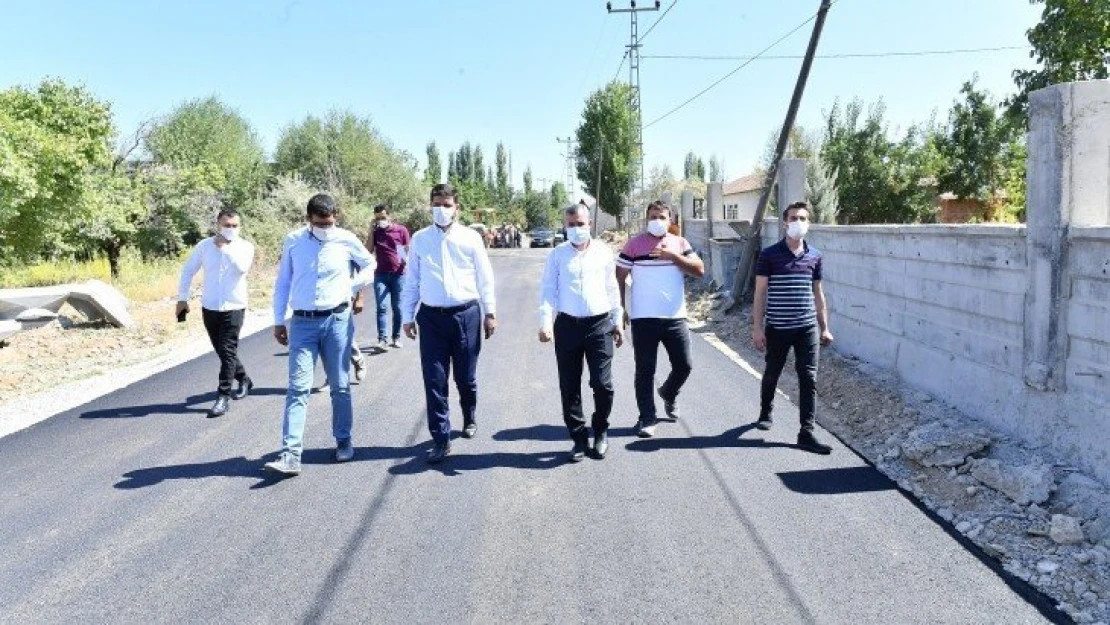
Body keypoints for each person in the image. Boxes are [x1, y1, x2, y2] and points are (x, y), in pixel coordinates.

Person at [264, 193, 375, 476]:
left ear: (335, 217)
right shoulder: (294, 241)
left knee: (339, 385)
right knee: (298, 388)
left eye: (329, 223)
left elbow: (370, 265)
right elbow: (283, 282)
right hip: (302, 323)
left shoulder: (346, 239)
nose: (325, 229)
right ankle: (290, 455)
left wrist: (351, 286)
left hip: (337, 319)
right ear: (308, 219)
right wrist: (278, 320)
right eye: (319, 224)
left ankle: (344, 441)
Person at [401, 183, 497, 464]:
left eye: (447, 204)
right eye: (436, 204)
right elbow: (412, 281)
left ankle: (469, 415)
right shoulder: (419, 239)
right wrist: (407, 316)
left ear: (457, 208)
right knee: (434, 380)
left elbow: (485, 277)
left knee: (465, 378)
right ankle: (441, 438)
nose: (441, 209)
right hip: (431, 319)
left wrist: (490, 312)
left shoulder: (471, 238)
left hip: (465, 315)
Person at [538, 204, 623, 462]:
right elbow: (548, 290)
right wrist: (545, 322)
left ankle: (600, 430)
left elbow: (612, 288)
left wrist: (617, 319)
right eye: (571, 224)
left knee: (602, 384)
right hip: (567, 326)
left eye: (581, 224)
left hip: (599, 325)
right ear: (565, 226)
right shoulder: (557, 255)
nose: (576, 229)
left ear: (590, 225)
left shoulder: (603, 252)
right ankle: (577, 438)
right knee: (569, 386)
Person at [615, 201, 704, 438]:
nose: (657, 220)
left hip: (675, 317)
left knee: (684, 365)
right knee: (645, 370)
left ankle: (668, 392)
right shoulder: (634, 244)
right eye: (653, 216)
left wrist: (673, 256)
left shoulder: (680, 243)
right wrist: (621, 308)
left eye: (661, 217)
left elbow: (699, 269)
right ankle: (646, 417)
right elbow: (620, 276)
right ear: (647, 219)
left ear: (670, 220)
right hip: (644, 318)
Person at [752, 201, 834, 455]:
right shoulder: (769, 254)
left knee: (808, 377)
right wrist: (758, 327)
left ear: (808, 223)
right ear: (785, 222)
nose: (798, 222)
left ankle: (806, 432)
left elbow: (818, 293)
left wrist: (825, 327)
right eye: (793, 218)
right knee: (773, 371)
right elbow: (760, 293)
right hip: (778, 326)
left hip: (806, 327)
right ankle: (766, 411)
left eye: (803, 218)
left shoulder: (815, 256)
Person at [176, 209, 256, 418]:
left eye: (234, 226)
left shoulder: (245, 247)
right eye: (226, 225)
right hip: (210, 306)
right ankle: (244, 379)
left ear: (240, 226)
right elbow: (188, 270)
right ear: (218, 225)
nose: (230, 229)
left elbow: (241, 269)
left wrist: (225, 249)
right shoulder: (204, 246)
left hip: (234, 306)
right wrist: (182, 298)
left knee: (228, 350)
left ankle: (223, 397)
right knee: (221, 350)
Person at [368, 204, 410, 351]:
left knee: (397, 307)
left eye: (383, 217)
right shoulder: (376, 232)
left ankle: (396, 337)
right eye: (378, 218)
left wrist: (405, 259)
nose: (381, 220)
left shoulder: (401, 230)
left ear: (389, 216)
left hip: (398, 274)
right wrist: (370, 231)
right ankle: (382, 340)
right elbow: (368, 250)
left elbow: (406, 249)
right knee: (381, 307)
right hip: (380, 274)